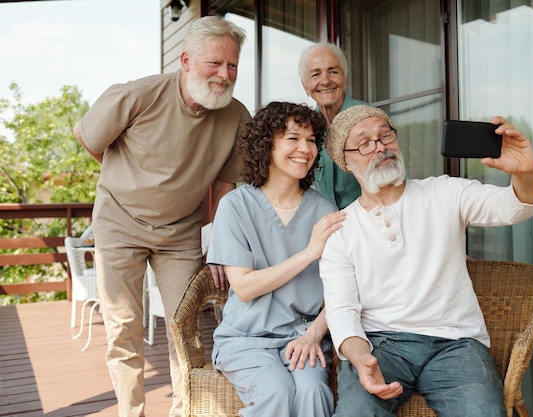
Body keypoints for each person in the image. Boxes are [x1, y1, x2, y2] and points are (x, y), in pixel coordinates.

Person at [72, 15, 250, 417]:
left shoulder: (237, 116)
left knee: (184, 329)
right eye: (215, 64)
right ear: (186, 60)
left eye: (233, 66)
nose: (225, 74)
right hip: (119, 223)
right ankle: (130, 412)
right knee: (123, 329)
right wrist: (131, 178)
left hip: (181, 231)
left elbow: (223, 189)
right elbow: (87, 137)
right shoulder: (139, 94)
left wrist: (219, 246)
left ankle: (184, 411)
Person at [319, 105, 533, 417]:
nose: (380, 147)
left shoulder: (445, 192)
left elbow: (515, 207)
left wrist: (525, 174)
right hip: (383, 346)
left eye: (385, 136)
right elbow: (342, 311)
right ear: (345, 161)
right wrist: (360, 359)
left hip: (455, 344)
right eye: (365, 142)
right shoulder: (341, 231)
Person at [207, 101, 345, 417]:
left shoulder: (325, 210)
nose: (305, 149)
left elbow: (342, 289)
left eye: (311, 140)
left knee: (314, 393)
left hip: (303, 337)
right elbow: (244, 287)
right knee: (276, 392)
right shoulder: (235, 206)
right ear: (267, 144)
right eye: (293, 138)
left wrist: (314, 335)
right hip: (246, 340)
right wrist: (309, 252)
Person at [299, 42, 367, 209]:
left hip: (369, 223)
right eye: (315, 74)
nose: (325, 81)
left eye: (333, 72)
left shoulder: (369, 119)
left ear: (345, 79)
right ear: (305, 86)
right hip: (327, 224)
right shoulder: (305, 128)